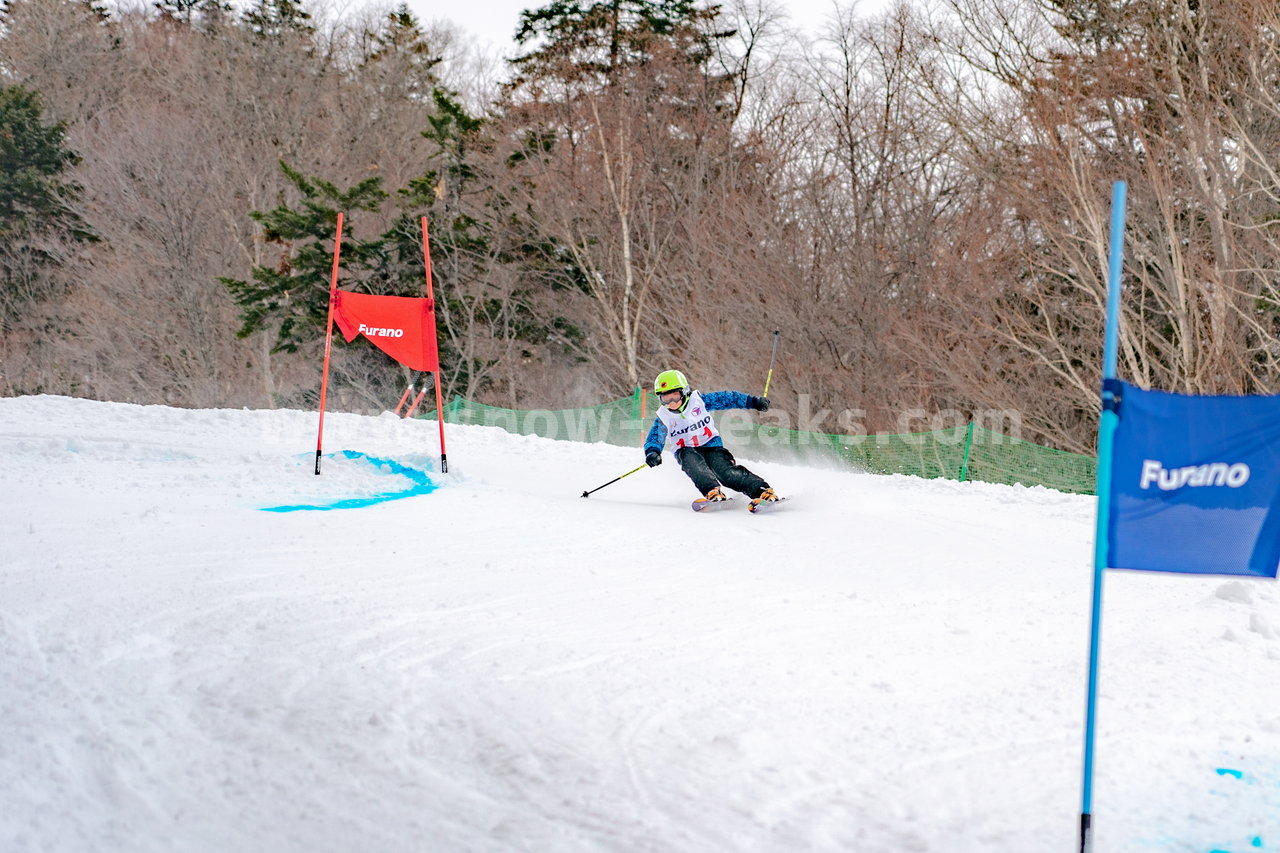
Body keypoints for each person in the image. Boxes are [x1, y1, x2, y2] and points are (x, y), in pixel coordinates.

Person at [643, 369, 780, 506]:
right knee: (693, 464)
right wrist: (652, 452)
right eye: (665, 399)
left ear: (684, 392)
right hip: (685, 450)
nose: (671, 402)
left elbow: (727, 399)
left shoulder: (699, 402)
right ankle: (713, 492)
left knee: (726, 473)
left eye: (675, 396)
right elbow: (655, 436)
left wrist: (753, 402)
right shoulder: (664, 417)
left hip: (711, 445)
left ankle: (762, 491)